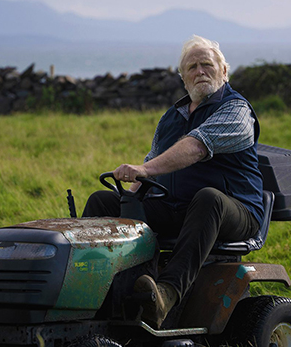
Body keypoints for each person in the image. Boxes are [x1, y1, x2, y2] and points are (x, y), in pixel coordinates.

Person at [82, 35, 264, 328]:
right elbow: (151, 166)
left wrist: (143, 169)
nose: (200, 72)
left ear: (224, 71)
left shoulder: (237, 110)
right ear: (183, 77)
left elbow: (195, 147)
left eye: (207, 64)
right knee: (103, 202)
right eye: (192, 67)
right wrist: (129, 198)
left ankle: (167, 294)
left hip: (235, 211)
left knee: (209, 197)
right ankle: (94, 291)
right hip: (178, 208)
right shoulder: (171, 118)